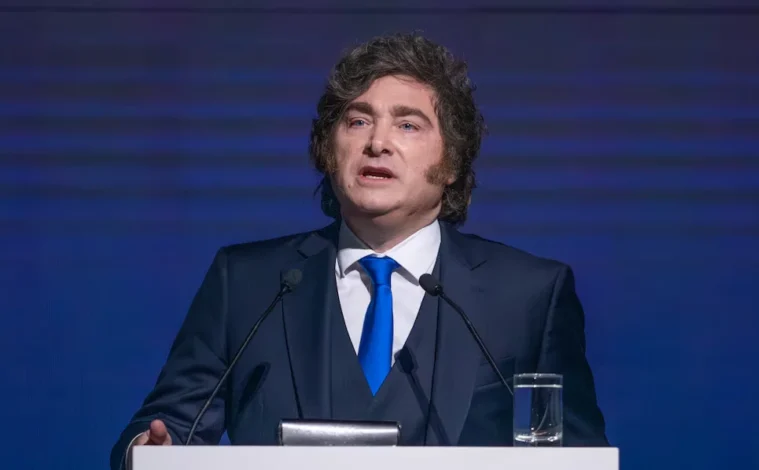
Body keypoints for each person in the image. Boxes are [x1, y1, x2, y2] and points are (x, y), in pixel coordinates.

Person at [110, 32, 608, 469]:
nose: (378, 143)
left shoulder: (529, 295)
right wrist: (150, 452)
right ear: (328, 150)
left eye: (408, 125)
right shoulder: (247, 283)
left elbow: (578, 453)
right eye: (357, 121)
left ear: (453, 160)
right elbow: (167, 426)